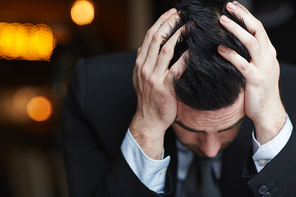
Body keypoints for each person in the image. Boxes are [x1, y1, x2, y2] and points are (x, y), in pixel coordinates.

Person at [62, 0, 296, 196]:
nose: (211, 150)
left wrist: (271, 120)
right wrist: (147, 125)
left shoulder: (290, 92)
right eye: (191, 128)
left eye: (228, 126)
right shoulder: (92, 91)